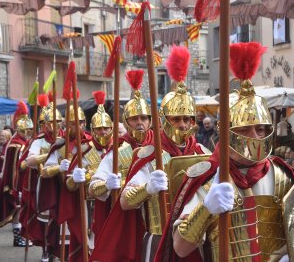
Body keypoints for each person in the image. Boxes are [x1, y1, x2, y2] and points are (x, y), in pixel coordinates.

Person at [156, 42, 294, 262]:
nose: (255, 137)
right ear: (227, 132)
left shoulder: (283, 174)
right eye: (244, 129)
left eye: (260, 129)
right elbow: (180, 248)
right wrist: (206, 208)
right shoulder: (208, 178)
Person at [90, 46, 210, 262]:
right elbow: (126, 202)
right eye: (176, 119)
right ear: (164, 120)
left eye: (187, 119)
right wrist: (147, 188)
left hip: (194, 239)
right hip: (158, 237)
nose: (182, 125)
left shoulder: (202, 152)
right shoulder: (148, 155)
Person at [81, 70, 154, 252]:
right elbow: (92, 186)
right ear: (126, 121)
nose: (139, 122)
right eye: (134, 118)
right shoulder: (118, 151)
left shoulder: (161, 148)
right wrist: (106, 184)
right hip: (127, 220)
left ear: (150, 120)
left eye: (143, 118)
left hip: (158, 219)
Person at [58, 91, 112, 261]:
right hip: (89, 207)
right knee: (90, 248)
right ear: (93, 129)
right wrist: (75, 178)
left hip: (114, 205)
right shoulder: (83, 150)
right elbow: (68, 184)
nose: (103, 132)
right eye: (99, 129)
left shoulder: (120, 149)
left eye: (106, 128)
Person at [21, 95, 64, 262]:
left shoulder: (67, 137)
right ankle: (47, 249)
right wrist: (50, 153)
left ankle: (59, 250)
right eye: (51, 122)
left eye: (58, 121)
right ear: (45, 124)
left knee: (62, 218)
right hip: (46, 184)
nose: (55, 125)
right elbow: (29, 161)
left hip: (64, 182)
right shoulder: (39, 140)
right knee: (47, 220)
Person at [0, 101, 32, 250]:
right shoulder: (16, 144)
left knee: (22, 209)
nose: (28, 133)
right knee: (17, 209)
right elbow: (12, 168)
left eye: (30, 130)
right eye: (26, 130)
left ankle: (22, 235)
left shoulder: (23, 142)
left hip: (24, 181)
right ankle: (18, 237)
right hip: (16, 182)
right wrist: (14, 188)